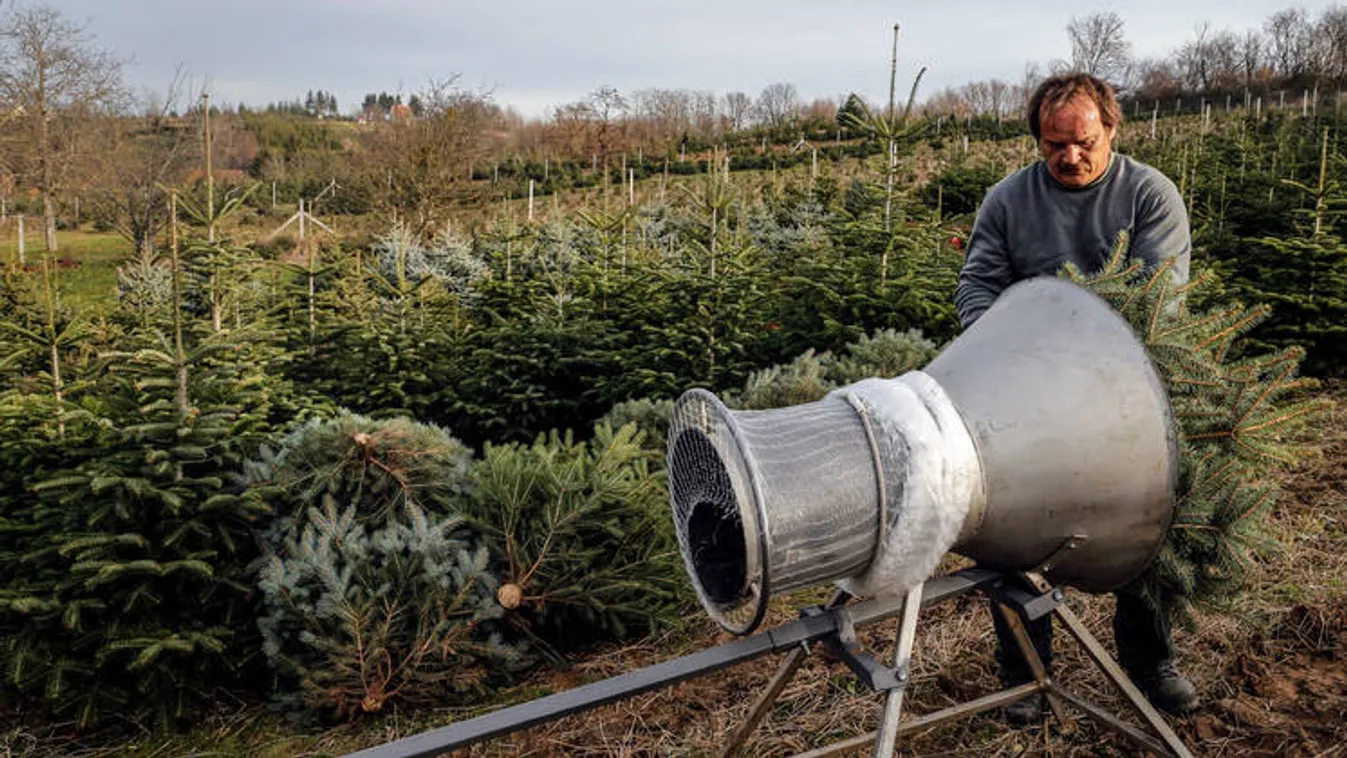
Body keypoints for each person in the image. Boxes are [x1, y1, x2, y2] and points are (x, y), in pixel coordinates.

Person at [953, 72, 1197, 724]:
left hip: (1127, 395)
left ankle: (1150, 664)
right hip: (1025, 395)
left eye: (1083, 141)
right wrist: (1001, 349)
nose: (1069, 156)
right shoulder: (1006, 201)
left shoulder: (1148, 196)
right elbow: (975, 287)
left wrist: (1084, 366)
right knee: (1002, 527)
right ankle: (1025, 679)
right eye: (1053, 144)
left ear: (1111, 130)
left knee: (1147, 519)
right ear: (1037, 139)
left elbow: (1158, 299)